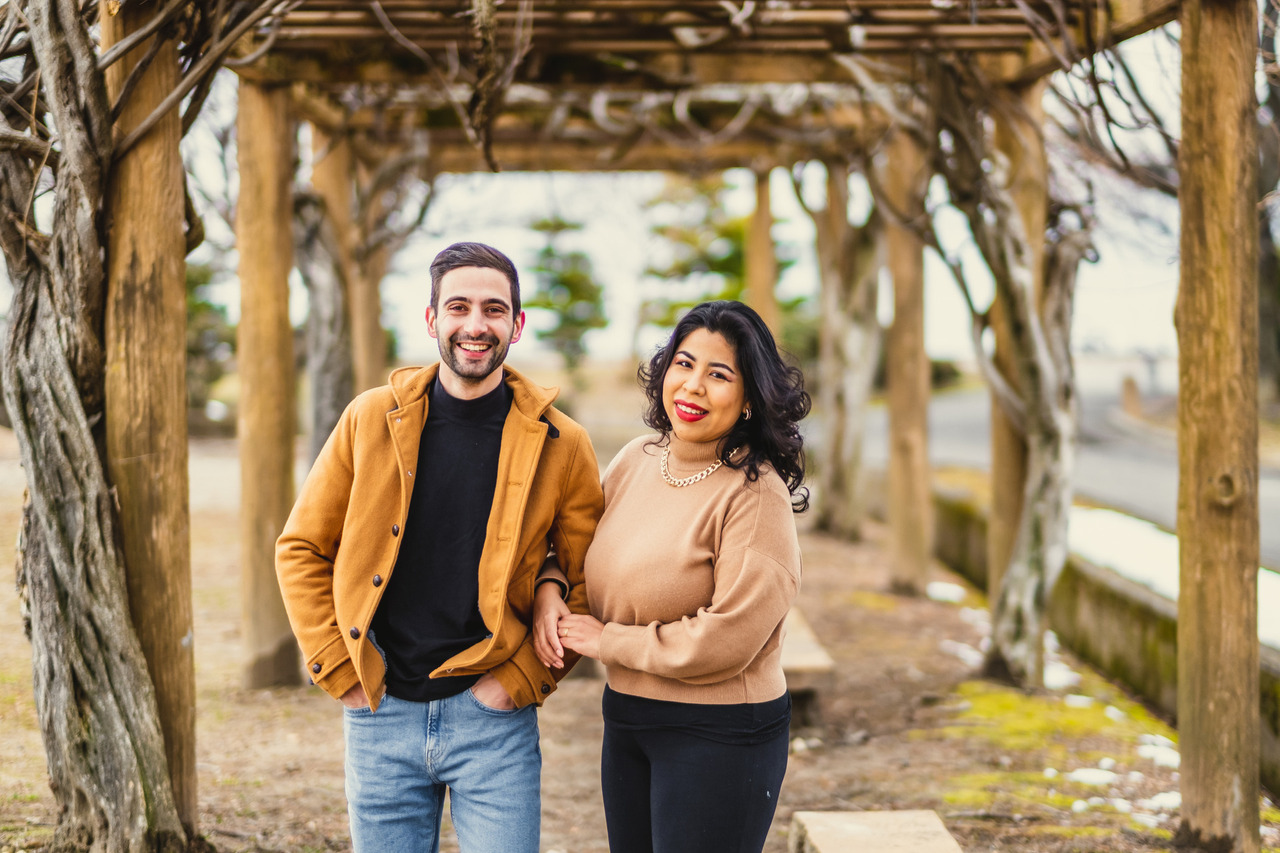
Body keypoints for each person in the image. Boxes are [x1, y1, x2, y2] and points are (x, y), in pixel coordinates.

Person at [275, 241, 603, 853]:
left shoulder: (564, 443)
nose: (475, 326)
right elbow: (302, 547)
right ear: (431, 319)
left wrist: (520, 680)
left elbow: (590, 582)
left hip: (493, 721)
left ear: (517, 324)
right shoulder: (370, 418)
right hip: (380, 711)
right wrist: (338, 668)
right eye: (458, 307)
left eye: (494, 310)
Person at [534, 300, 810, 853]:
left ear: (751, 398)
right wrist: (550, 586)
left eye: (719, 374)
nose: (693, 387)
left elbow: (726, 640)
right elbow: (572, 543)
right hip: (629, 715)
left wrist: (607, 639)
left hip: (720, 731)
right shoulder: (639, 458)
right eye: (683, 364)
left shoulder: (755, 497)